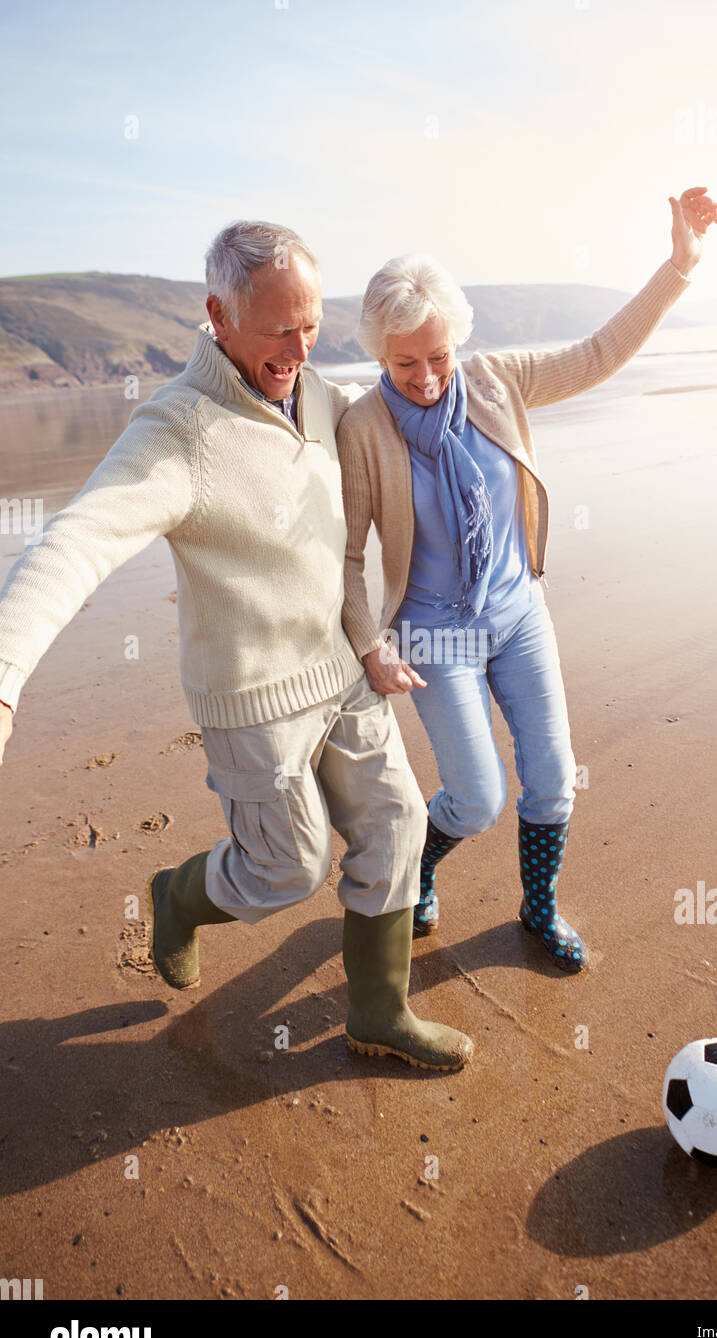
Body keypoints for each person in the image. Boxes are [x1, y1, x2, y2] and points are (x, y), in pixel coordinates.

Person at [0, 220, 473, 1072]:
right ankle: (177, 898)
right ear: (218, 315)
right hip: (254, 699)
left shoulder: (321, 397)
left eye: (311, 324)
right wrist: (4, 675)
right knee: (286, 871)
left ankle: (378, 1011)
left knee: (398, 824)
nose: (298, 348)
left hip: (342, 673)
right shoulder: (176, 433)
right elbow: (74, 541)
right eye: (278, 329)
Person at [338, 188, 717, 972]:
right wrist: (370, 646)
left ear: (458, 340)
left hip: (517, 613)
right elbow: (345, 556)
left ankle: (537, 908)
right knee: (475, 797)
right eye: (405, 362)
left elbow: (598, 353)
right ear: (380, 353)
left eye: (438, 356)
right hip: (433, 632)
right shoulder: (363, 430)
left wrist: (678, 268)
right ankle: (421, 867)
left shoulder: (496, 380)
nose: (426, 377)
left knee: (552, 779)